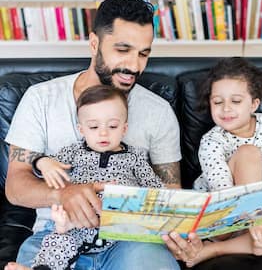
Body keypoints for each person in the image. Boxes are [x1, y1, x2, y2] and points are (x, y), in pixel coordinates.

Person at [5, 0, 181, 270]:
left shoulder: (158, 112)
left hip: (131, 239)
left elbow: (170, 190)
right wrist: (62, 194)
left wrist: (182, 233)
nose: (134, 66)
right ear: (94, 43)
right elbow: (15, 186)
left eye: (143, 53)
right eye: (123, 50)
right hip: (57, 233)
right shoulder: (40, 98)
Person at [6, 84, 168, 270]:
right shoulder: (75, 151)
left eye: (113, 126)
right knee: (59, 240)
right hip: (77, 222)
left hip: (120, 228)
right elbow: (48, 167)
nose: (103, 132)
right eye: (93, 126)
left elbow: (155, 188)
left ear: (124, 129)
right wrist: (42, 161)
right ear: (81, 129)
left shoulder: (135, 157)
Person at [163, 57, 262, 268]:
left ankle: (211, 251)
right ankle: (246, 234)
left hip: (261, 214)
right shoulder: (212, 141)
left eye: (235, 101)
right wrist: (253, 218)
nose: (226, 109)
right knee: (249, 153)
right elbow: (222, 189)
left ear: (254, 104)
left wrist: (260, 218)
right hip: (223, 215)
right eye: (218, 102)